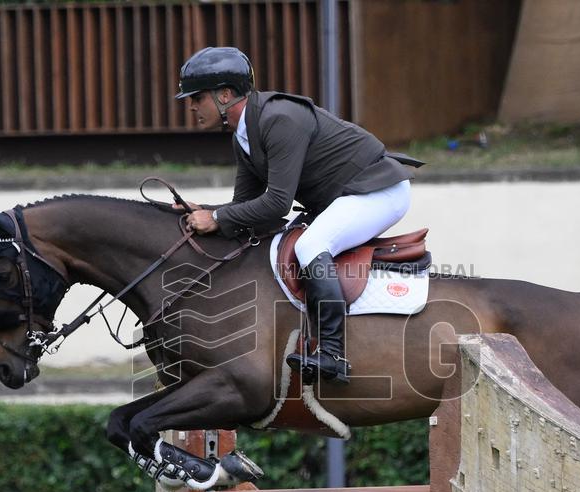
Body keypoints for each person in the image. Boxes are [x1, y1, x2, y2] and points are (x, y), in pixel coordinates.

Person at [175, 46, 421, 385]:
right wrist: (205, 211)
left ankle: (332, 355)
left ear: (225, 95)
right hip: (346, 195)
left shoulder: (279, 119)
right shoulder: (244, 136)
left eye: (197, 97)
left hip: (378, 190)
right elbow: (246, 207)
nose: (191, 106)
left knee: (310, 246)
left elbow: (277, 204)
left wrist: (216, 216)